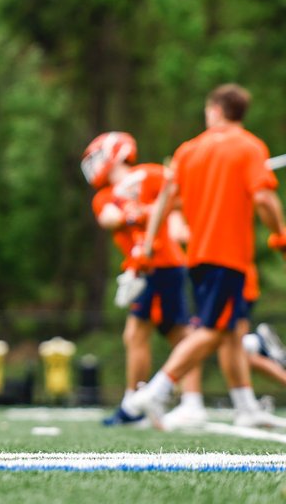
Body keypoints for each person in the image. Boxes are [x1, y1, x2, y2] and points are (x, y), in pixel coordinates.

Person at [126, 84, 286, 429]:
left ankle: (245, 406)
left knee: (232, 330)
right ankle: (158, 388)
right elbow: (264, 200)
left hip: (197, 257)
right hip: (228, 256)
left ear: (215, 110)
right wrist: (281, 233)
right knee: (213, 330)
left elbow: (166, 202)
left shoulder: (188, 150)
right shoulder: (250, 147)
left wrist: (149, 244)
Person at [80, 132, 204, 428]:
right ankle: (169, 401)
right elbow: (109, 217)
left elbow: (178, 198)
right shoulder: (105, 196)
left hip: (164, 265)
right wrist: (133, 213)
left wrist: (149, 211)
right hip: (143, 269)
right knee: (170, 336)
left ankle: (150, 403)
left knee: (153, 334)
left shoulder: (149, 174)